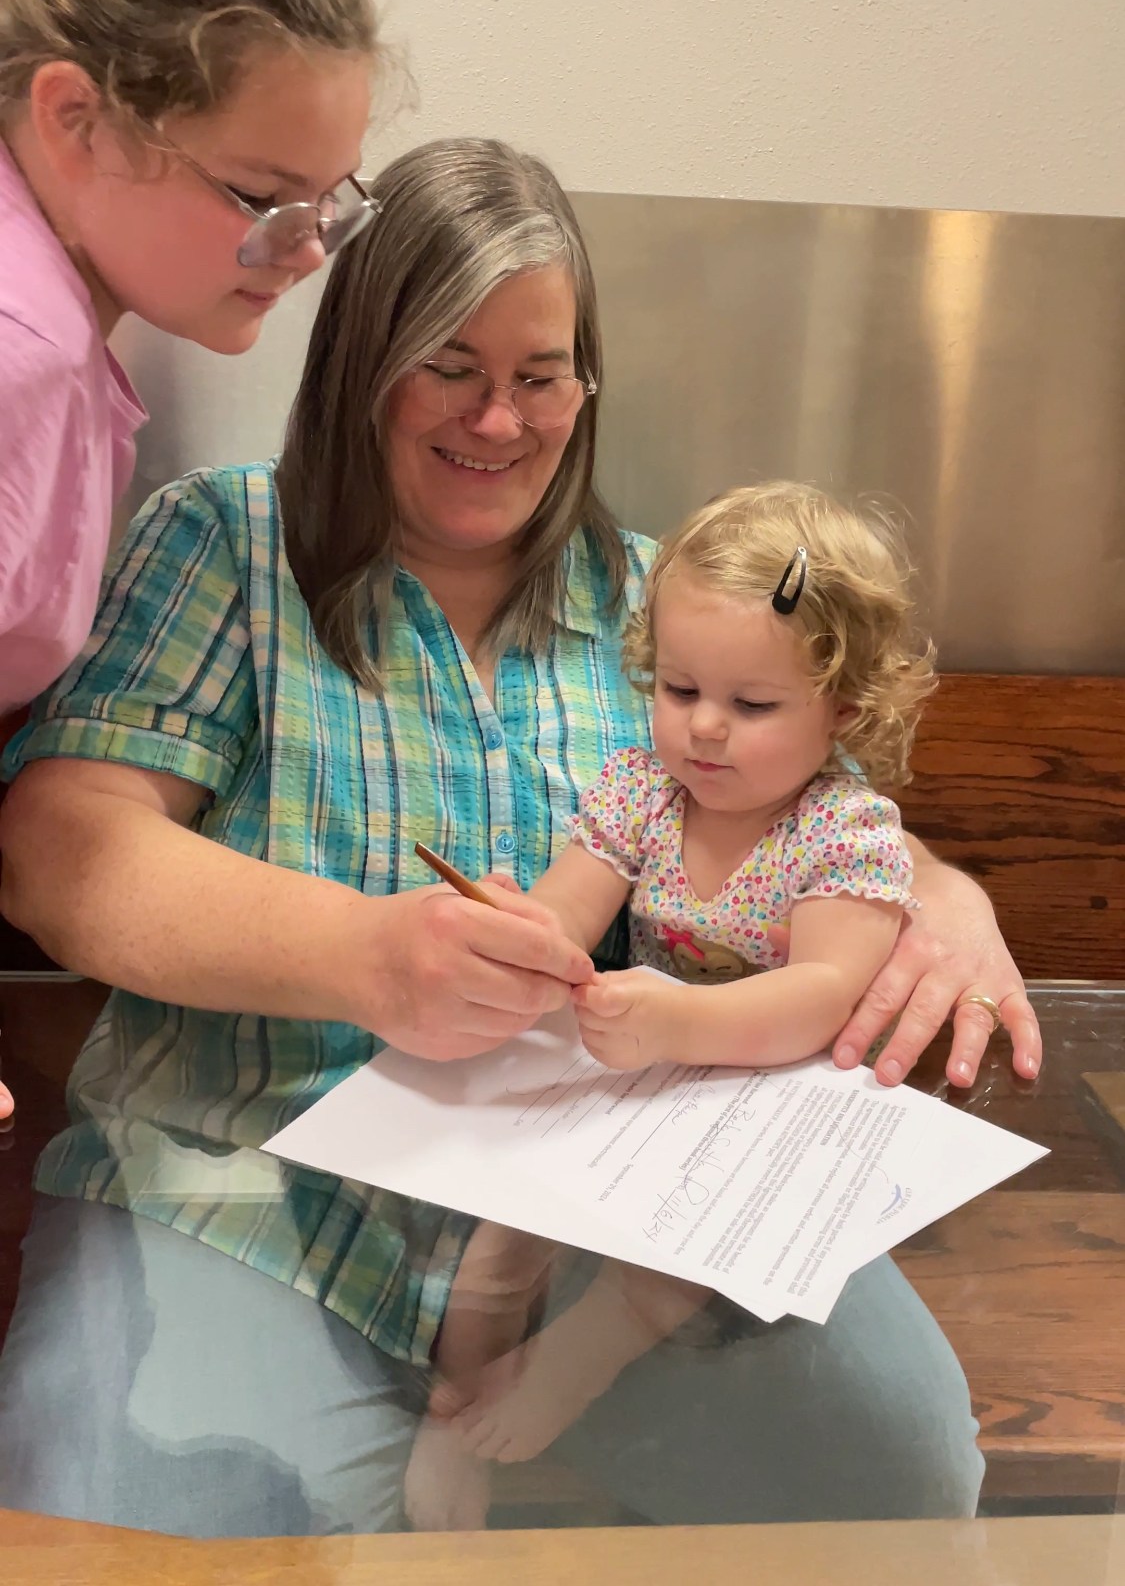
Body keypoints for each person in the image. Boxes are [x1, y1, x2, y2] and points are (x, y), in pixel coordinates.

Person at [0, 138, 1040, 1538]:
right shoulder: (227, 544)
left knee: (898, 1475)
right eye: (449, 366)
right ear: (362, 364)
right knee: (113, 1528)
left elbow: (829, 830)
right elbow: (61, 847)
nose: (499, 420)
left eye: (541, 376)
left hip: (613, 1216)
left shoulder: (671, 600)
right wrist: (364, 955)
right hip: (242, 1183)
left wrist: (945, 894)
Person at [404, 479, 938, 1527]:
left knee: (663, 1270)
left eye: (752, 705)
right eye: (679, 687)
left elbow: (824, 995)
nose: (703, 728)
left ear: (844, 707)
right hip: (644, 1083)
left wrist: (675, 1022)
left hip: (777, 1110)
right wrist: (523, 930)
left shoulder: (844, 831)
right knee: (495, 1252)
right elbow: (570, 909)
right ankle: (454, 1415)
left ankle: (573, 1369)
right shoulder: (645, 791)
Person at [0, 0, 381, 1120]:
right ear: (74, 118)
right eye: (264, 200)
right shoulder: (19, 354)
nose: (305, 251)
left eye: (332, 202)